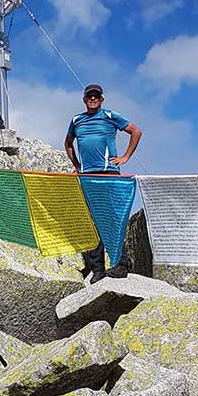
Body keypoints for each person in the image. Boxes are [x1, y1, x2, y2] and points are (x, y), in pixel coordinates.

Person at [64, 83, 142, 283]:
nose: (93, 99)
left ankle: (120, 265)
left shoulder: (109, 115)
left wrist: (125, 157)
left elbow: (136, 131)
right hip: (88, 176)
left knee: (113, 217)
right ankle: (97, 269)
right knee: (93, 221)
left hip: (109, 173)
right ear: (84, 99)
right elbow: (68, 143)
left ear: (101, 99)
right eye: (89, 96)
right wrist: (77, 165)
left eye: (96, 96)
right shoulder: (76, 120)